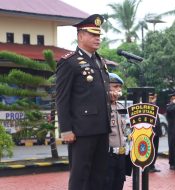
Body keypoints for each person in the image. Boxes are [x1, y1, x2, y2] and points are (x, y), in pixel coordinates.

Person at [56, 14, 111, 190]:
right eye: (93, 34)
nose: (98, 39)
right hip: (82, 131)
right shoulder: (69, 62)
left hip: (102, 128)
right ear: (80, 36)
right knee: (80, 176)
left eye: (99, 35)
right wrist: (65, 129)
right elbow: (62, 98)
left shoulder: (100, 61)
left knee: (99, 176)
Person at [104, 73, 127, 190]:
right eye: (115, 86)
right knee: (107, 185)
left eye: (120, 87)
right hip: (107, 156)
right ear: (106, 87)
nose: (118, 90)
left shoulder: (121, 106)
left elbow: (125, 129)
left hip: (121, 155)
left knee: (119, 185)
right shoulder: (102, 107)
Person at [148, 93, 161, 173]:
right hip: (150, 132)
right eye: (151, 97)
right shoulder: (147, 105)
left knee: (155, 149)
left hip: (156, 131)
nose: (153, 98)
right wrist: (151, 102)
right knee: (150, 149)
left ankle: (152, 165)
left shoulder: (154, 105)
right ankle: (149, 165)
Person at [166, 92, 175, 170]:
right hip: (171, 129)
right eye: (174, 98)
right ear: (171, 99)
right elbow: (170, 110)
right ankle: (172, 163)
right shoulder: (169, 106)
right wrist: (173, 103)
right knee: (172, 146)